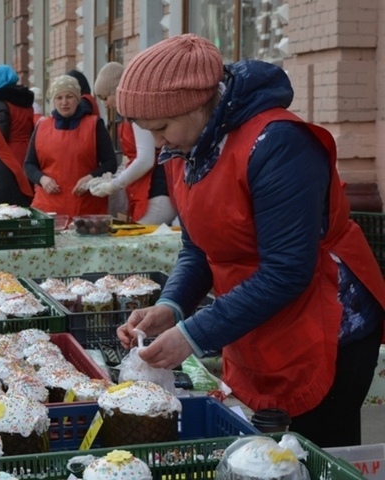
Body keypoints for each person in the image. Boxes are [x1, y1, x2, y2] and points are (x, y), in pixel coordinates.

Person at [115, 34, 385, 448]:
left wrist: (192, 335)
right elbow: (198, 247)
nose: (159, 143)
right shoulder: (186, 151)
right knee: (264, 452)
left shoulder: (277, 143)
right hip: (260, 323)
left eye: (161, 128)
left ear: (196, 104)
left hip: (325, 322)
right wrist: (171, 306)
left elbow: (286, 270)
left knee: (311, 453)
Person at [90, 61, 177, 225]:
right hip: (151, 190)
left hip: (156, 191)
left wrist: (114, 184)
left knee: (139, 243)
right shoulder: (130, 115)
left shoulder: (136, 112)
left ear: (117, 91)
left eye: (105, 97)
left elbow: (145, 159)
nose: (105, 103)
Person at [23, 74, 117, 217]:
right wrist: (42, 179)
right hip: (48, 208)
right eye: (59, 98)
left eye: (69, 97)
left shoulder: (94, 125)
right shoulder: (42, 126)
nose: (64, 102)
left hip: (86, 209)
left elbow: (111, 163)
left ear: (78, 99)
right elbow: (29, 165)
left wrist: (90, 177)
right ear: (53, 101)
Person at [0, 64, 34, 165]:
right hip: (28, 149)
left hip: (10, 150)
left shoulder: (1, 103)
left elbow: (1, 130)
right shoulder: (26, 99)